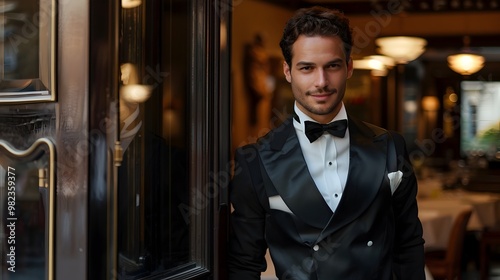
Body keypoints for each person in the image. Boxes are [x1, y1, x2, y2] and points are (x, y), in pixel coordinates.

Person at [227, 6, 425, 280]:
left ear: (349, 67)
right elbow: (244, 264)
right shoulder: (255, 160)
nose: (321, 82)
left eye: (332, 66)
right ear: (287, 71)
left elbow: (408, 247)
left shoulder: (391, 146)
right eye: (306, 68)